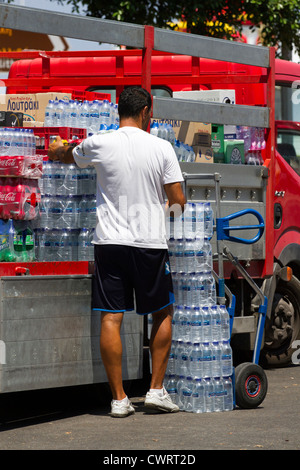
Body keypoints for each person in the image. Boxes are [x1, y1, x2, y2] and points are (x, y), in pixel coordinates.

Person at [48, 86, 186, 417]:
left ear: (118, 112)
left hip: (109, 243)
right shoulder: (161, 148)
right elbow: (179, 201)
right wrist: (164, 213)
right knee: (162, 312)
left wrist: (56, 149)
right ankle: (155, 391)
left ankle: (119, 399)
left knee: (112, 316)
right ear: (146, 113)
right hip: (149, 243)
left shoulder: (100, 142)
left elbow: (68, 154)